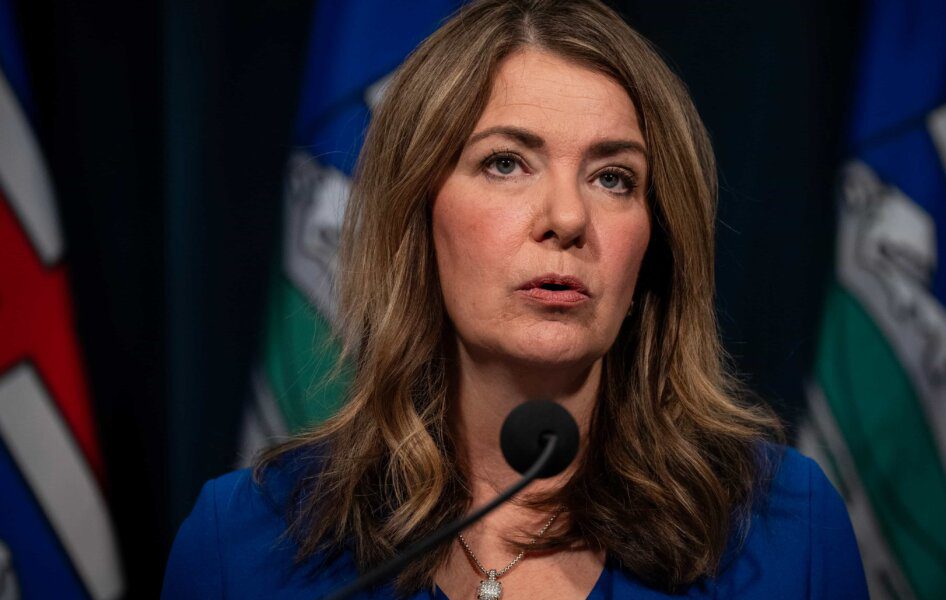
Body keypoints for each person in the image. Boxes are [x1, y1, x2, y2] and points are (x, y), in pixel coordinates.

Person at [163, 0, 868, 598]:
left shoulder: (785, 531)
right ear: (419, 214)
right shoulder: (244, 544)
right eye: (506, 163)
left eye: (614, 178)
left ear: (653, 246)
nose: (566, 217)